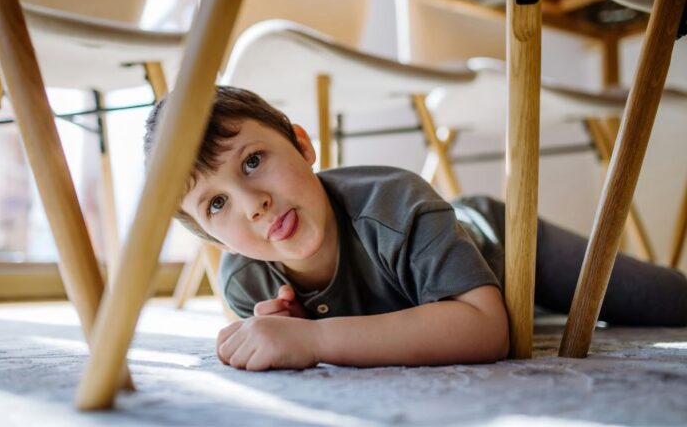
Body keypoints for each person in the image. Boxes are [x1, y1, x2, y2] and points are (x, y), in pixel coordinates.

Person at [144, 86, 687, 372]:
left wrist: (316, 339)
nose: (253, 205)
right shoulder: (246, 282)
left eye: (253, 161)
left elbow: (484, 329)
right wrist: (289, 330)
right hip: (431, 288)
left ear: (303, 144)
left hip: (503, 244)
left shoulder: (394, 203)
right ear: (209, 238)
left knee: (667, 302)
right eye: (216, 204)